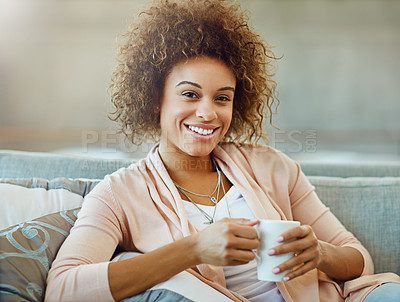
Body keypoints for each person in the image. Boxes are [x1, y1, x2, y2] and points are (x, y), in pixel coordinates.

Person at [45, 0, 400, 301]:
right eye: (189, 94)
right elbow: (63, 288)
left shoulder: (273, 167)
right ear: (156, 99)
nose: (208, 112)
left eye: (222, 98)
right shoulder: (118, 194)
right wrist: (194, 249)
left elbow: (359, 260)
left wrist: (321, 254)